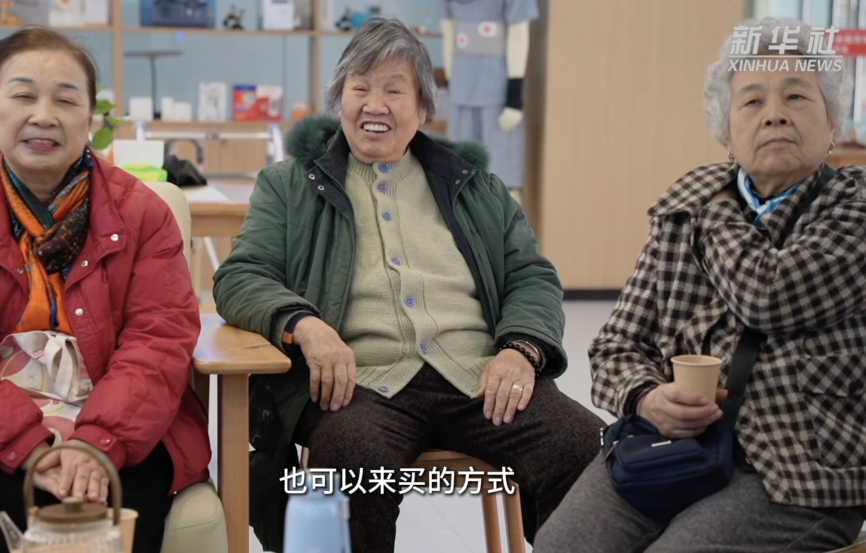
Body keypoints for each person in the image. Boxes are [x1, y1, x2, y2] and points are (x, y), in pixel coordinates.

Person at [214, 16, 603, 553]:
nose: (374, 105)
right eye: (360, 88)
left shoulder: (475, 187)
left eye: (394, 91)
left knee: (586, 446)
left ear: (422, 110)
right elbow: (241, 275)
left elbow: (530, 275)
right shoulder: (290, 185)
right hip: (361, 386)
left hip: (479, 378)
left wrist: (522, 349)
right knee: (352, 459)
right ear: (340, 100)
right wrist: (305, 326)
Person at [534, 17, 866, 552]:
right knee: (560, 546)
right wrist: (646, 397)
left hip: (802, 478)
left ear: (832, 123)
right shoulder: (687, 209)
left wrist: (713, 208)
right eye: (752, 101)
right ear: (726, 131)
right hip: (675, 450)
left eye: (797, 96)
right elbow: (615, 345)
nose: (774, 113)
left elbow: (769, 296)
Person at [0, 26, 210, 553]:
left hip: (117, 427)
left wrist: (94, 443)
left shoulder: (144, 215)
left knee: (107, 507)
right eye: (22, 96)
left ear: (90, 117)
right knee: (2, 510)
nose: (44, 115)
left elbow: (160, 340)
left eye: (65, 99)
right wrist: (27, 445)